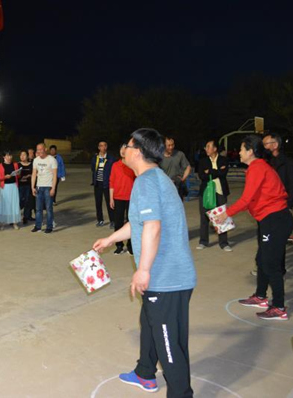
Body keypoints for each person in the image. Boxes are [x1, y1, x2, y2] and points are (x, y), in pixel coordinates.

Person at [93, 128, 196, 398]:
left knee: (169, 345)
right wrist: (109, 239)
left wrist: (143, 270)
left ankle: (181, 393)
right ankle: (145, 372)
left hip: (166, 278)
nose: (124, 150)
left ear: (138, 152)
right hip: (170, 276)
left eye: (127, 146)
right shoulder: (155, 178)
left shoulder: (147, 182)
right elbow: (137, 223)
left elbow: (152, 226)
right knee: (149, 322)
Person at [215, 134, 293, 321]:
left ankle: (279, 307)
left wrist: (226, 214)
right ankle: (260, 296)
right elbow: (253, 200)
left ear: (250, 151)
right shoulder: (257, 168)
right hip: (269, 220)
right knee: (262, 259)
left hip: (275, 220)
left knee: (271, 264)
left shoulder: (258, 167)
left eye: (242, 149)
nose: (239, 153)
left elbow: (246, 199)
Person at [196, 139, 232, 252]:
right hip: (206, 193)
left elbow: (223, 173)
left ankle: (224, 243)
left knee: (221, 217)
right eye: (206, 147)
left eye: (208, 146)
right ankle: (203, 241)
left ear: (215, 148)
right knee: (204, 217)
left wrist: (210, 171)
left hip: (220, 192)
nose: (206, 149)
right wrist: (216, 171)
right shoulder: (203, 161)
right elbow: (202, 176)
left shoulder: (223, 160)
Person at [262, 133, 293, 244]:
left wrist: (290, 203)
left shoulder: (288, 162)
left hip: (284, 200)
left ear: (275, 145)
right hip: (269, 200)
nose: (264, 147)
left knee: (284, 227)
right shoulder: (266, 162)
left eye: (266, 144)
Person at [109, 144, 135, 255]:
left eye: (125, 149)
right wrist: (111, 198)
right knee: (118, 222)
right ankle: (119, 245)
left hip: (131, 198)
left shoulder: (133, 165)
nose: (123, 152)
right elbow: (111, 182)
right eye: (121, 150)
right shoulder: (115, 165)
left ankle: (130, 245)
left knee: (131, 222)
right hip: (118, 197)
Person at [31, 143, 57, 234]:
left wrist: (53, 188)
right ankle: (38, 226)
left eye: (41, 149)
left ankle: (49, 226)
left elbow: (55, 175)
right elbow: (34, 174)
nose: (39, 151)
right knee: (38, 208)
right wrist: (32, 187)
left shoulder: (52, 160)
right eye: (38, 149)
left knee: (49, 208)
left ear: (45, 149)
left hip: (48, 187)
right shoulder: (36, 160)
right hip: (39, 187)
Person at [91, 141, 116, 228]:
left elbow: (113, 171)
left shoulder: (111, 158)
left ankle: (112, 220)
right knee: (98, 203)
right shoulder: (95, 158)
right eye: (101, 146)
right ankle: (100, 220)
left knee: (110, 203)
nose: (103, 147)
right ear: (98, 147)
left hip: (107, 184)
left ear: (106, 147)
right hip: (98, 184)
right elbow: (93, 169)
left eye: (104, 145)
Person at [0, 150, 21, 229]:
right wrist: (5, 177)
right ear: (4, 157)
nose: (9, 157)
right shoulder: (0, 166)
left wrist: (18, 173)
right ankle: (3, 222)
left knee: (14, 204)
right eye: (7, 156)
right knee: (5, 204)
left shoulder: (15, 164)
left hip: (13, 186)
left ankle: (14, 222)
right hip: (5, 187)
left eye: (10, 155)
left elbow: (18, 176)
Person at [18, 150, 34, 224]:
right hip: (20, 185)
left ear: (27, 156)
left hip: (28, 185)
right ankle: (15, 215)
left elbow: (34, 173)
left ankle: (26, 216)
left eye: (24, 155)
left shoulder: (31, 164)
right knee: (20, 200)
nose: (22, 156)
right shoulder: (17, 165)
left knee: (27, 200)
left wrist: (29, 176)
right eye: (21, 155)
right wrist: (20, 178)